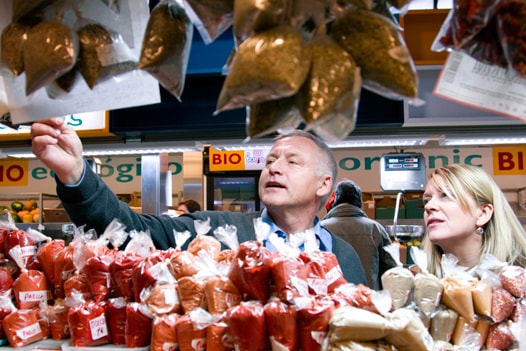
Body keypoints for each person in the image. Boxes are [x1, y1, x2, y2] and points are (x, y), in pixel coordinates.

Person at [30, 117, 367, 285]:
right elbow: (130, 232)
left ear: (325, 185)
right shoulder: (217, 233)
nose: (275, 167)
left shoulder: (345, 257)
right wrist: (76, 173)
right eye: (270, 160)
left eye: (292, 162)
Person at [422, 164, 526, 277]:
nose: (429, 206)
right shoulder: (418, 283)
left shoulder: (519, 280)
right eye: (427, 200)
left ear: (483, 214)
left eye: (446, 195)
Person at [321, 180, 397, 290]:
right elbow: (392, 273)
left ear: (334, 201)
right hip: (368, 302)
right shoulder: (376, 229)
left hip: (332, 303)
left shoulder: (321, 229)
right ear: (359, 202)